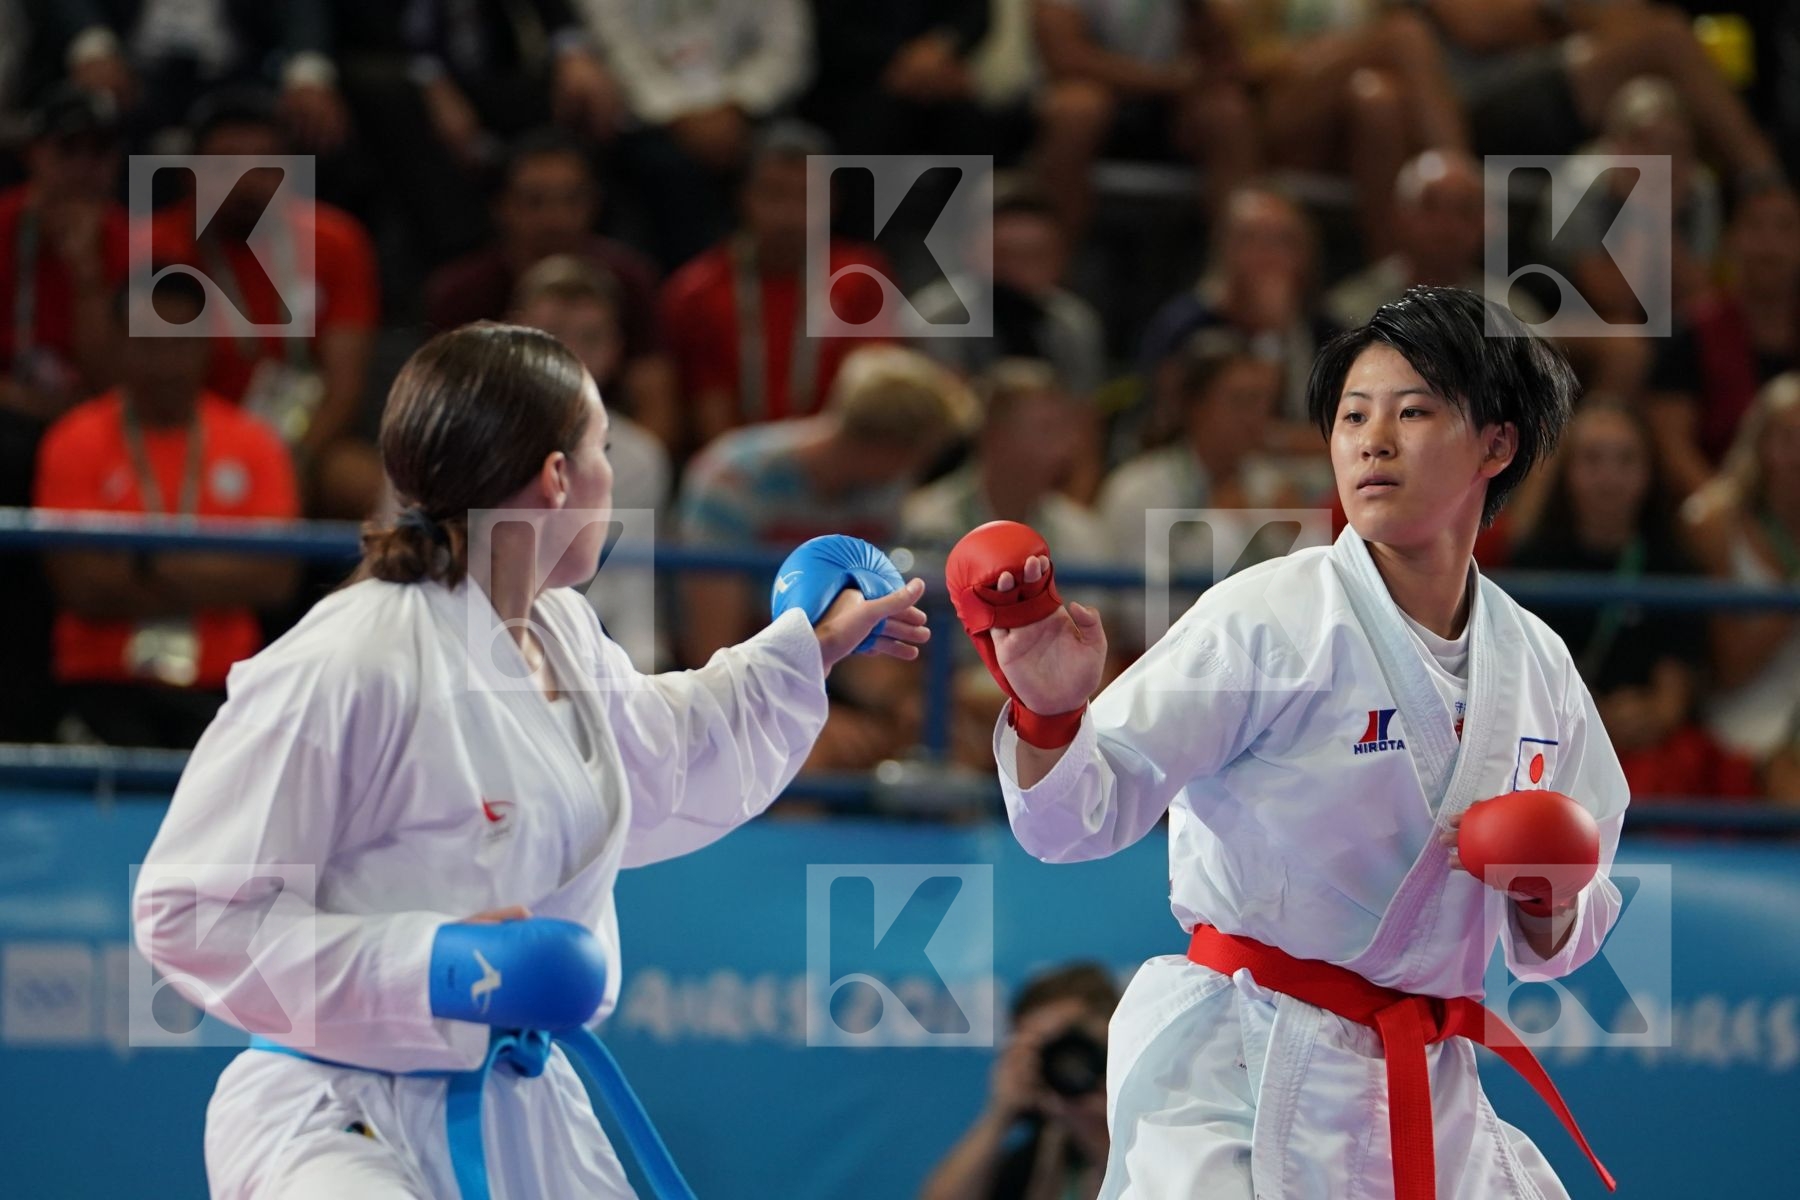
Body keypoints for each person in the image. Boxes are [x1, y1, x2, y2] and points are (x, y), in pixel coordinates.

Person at [132, 321, 930, 1198]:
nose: (611, 476)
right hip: (336, 1117)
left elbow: (662, 761)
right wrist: (428, 963)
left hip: (523, 1110)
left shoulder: (560, 631)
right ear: (557, 479)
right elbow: (189, 912)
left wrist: (805, 647)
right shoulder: (349, 661)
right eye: (603, 450)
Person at [950, 286, 1627, 1198]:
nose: (1371, 440)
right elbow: (1076, 822)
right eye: (1353, 415)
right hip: (1243, 1069)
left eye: (1413, 412)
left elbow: (1560, 939)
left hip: (1424, 1087)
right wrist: (1050, 715)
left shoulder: (1538, 665)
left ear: (1496, 445)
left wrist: (1548, 899)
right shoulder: (1270, 615)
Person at [34, 271, 299, 748]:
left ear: (206, 346)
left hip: (224, 690)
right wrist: (214, 578)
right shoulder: (72, 441)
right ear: (119, 345)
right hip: (103, 684)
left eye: (182, 343)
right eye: (150, 343)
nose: (167, 363)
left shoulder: (255, 443)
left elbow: (273, 579)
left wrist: (142, 566)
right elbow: (82, 585)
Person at [148, 87, 383, 519]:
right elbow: (145, 378)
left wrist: (289, 459)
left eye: (263, 165)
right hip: (188, 439)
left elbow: (344, 384)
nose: (245, 181)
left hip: (306, 442)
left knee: (374, 491)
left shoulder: (336, 243)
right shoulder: (153, 247)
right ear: (190, 175)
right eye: (225, 165)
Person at [1513, 403, 1756, 800]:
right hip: (1561, 742)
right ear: (1566, 473)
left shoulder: (1676, 566)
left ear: (1648, 473)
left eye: (1625, 460)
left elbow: (1671, 698)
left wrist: (1652, 714)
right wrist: (1594, 719)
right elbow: (1529, 691)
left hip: (1653, 754)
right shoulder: (1529, 568)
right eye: (1592, 460)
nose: (1609, 478)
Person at [657, 121, 893, 451]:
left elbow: (866, 400)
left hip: (840, 464)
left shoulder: (863, 279)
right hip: (733, 475)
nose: (790, 214)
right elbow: (709, 417)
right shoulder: (695, 291)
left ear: (833, 202)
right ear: (744, 197)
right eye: (774, 193)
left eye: (807, 197)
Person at [509, 254, 672, 671]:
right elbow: (404, 566)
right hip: (456, 654)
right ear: (513, 336)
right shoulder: (449, 432)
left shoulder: (638, 458)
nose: (569, 354)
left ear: (615, 349)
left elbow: (633, 594)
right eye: (551, 335)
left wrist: (644, 686)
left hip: (585, 664)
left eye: (590, 337)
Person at [1682, 371, 1800, 775]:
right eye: (1787, 439)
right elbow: (1728, 668)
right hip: (1743, 728)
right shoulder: (1714, 524)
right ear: (1760, 444)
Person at [920, 963, 1121, 1200]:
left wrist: (1096, 1128)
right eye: (1044, 1047)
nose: (1060, 1059)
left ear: (1114, 1035)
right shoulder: (1031, 1156)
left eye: (1070, 1040)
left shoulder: (1159, 1123)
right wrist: (1000, 1114)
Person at [0, 84, 128, 420]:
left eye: (99, 151)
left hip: (94, 421)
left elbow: (113, 382)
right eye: (68, 150)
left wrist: (87, 277)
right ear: (33, 154)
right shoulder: (4, 224)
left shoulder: (135, 242)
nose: (84, 167)